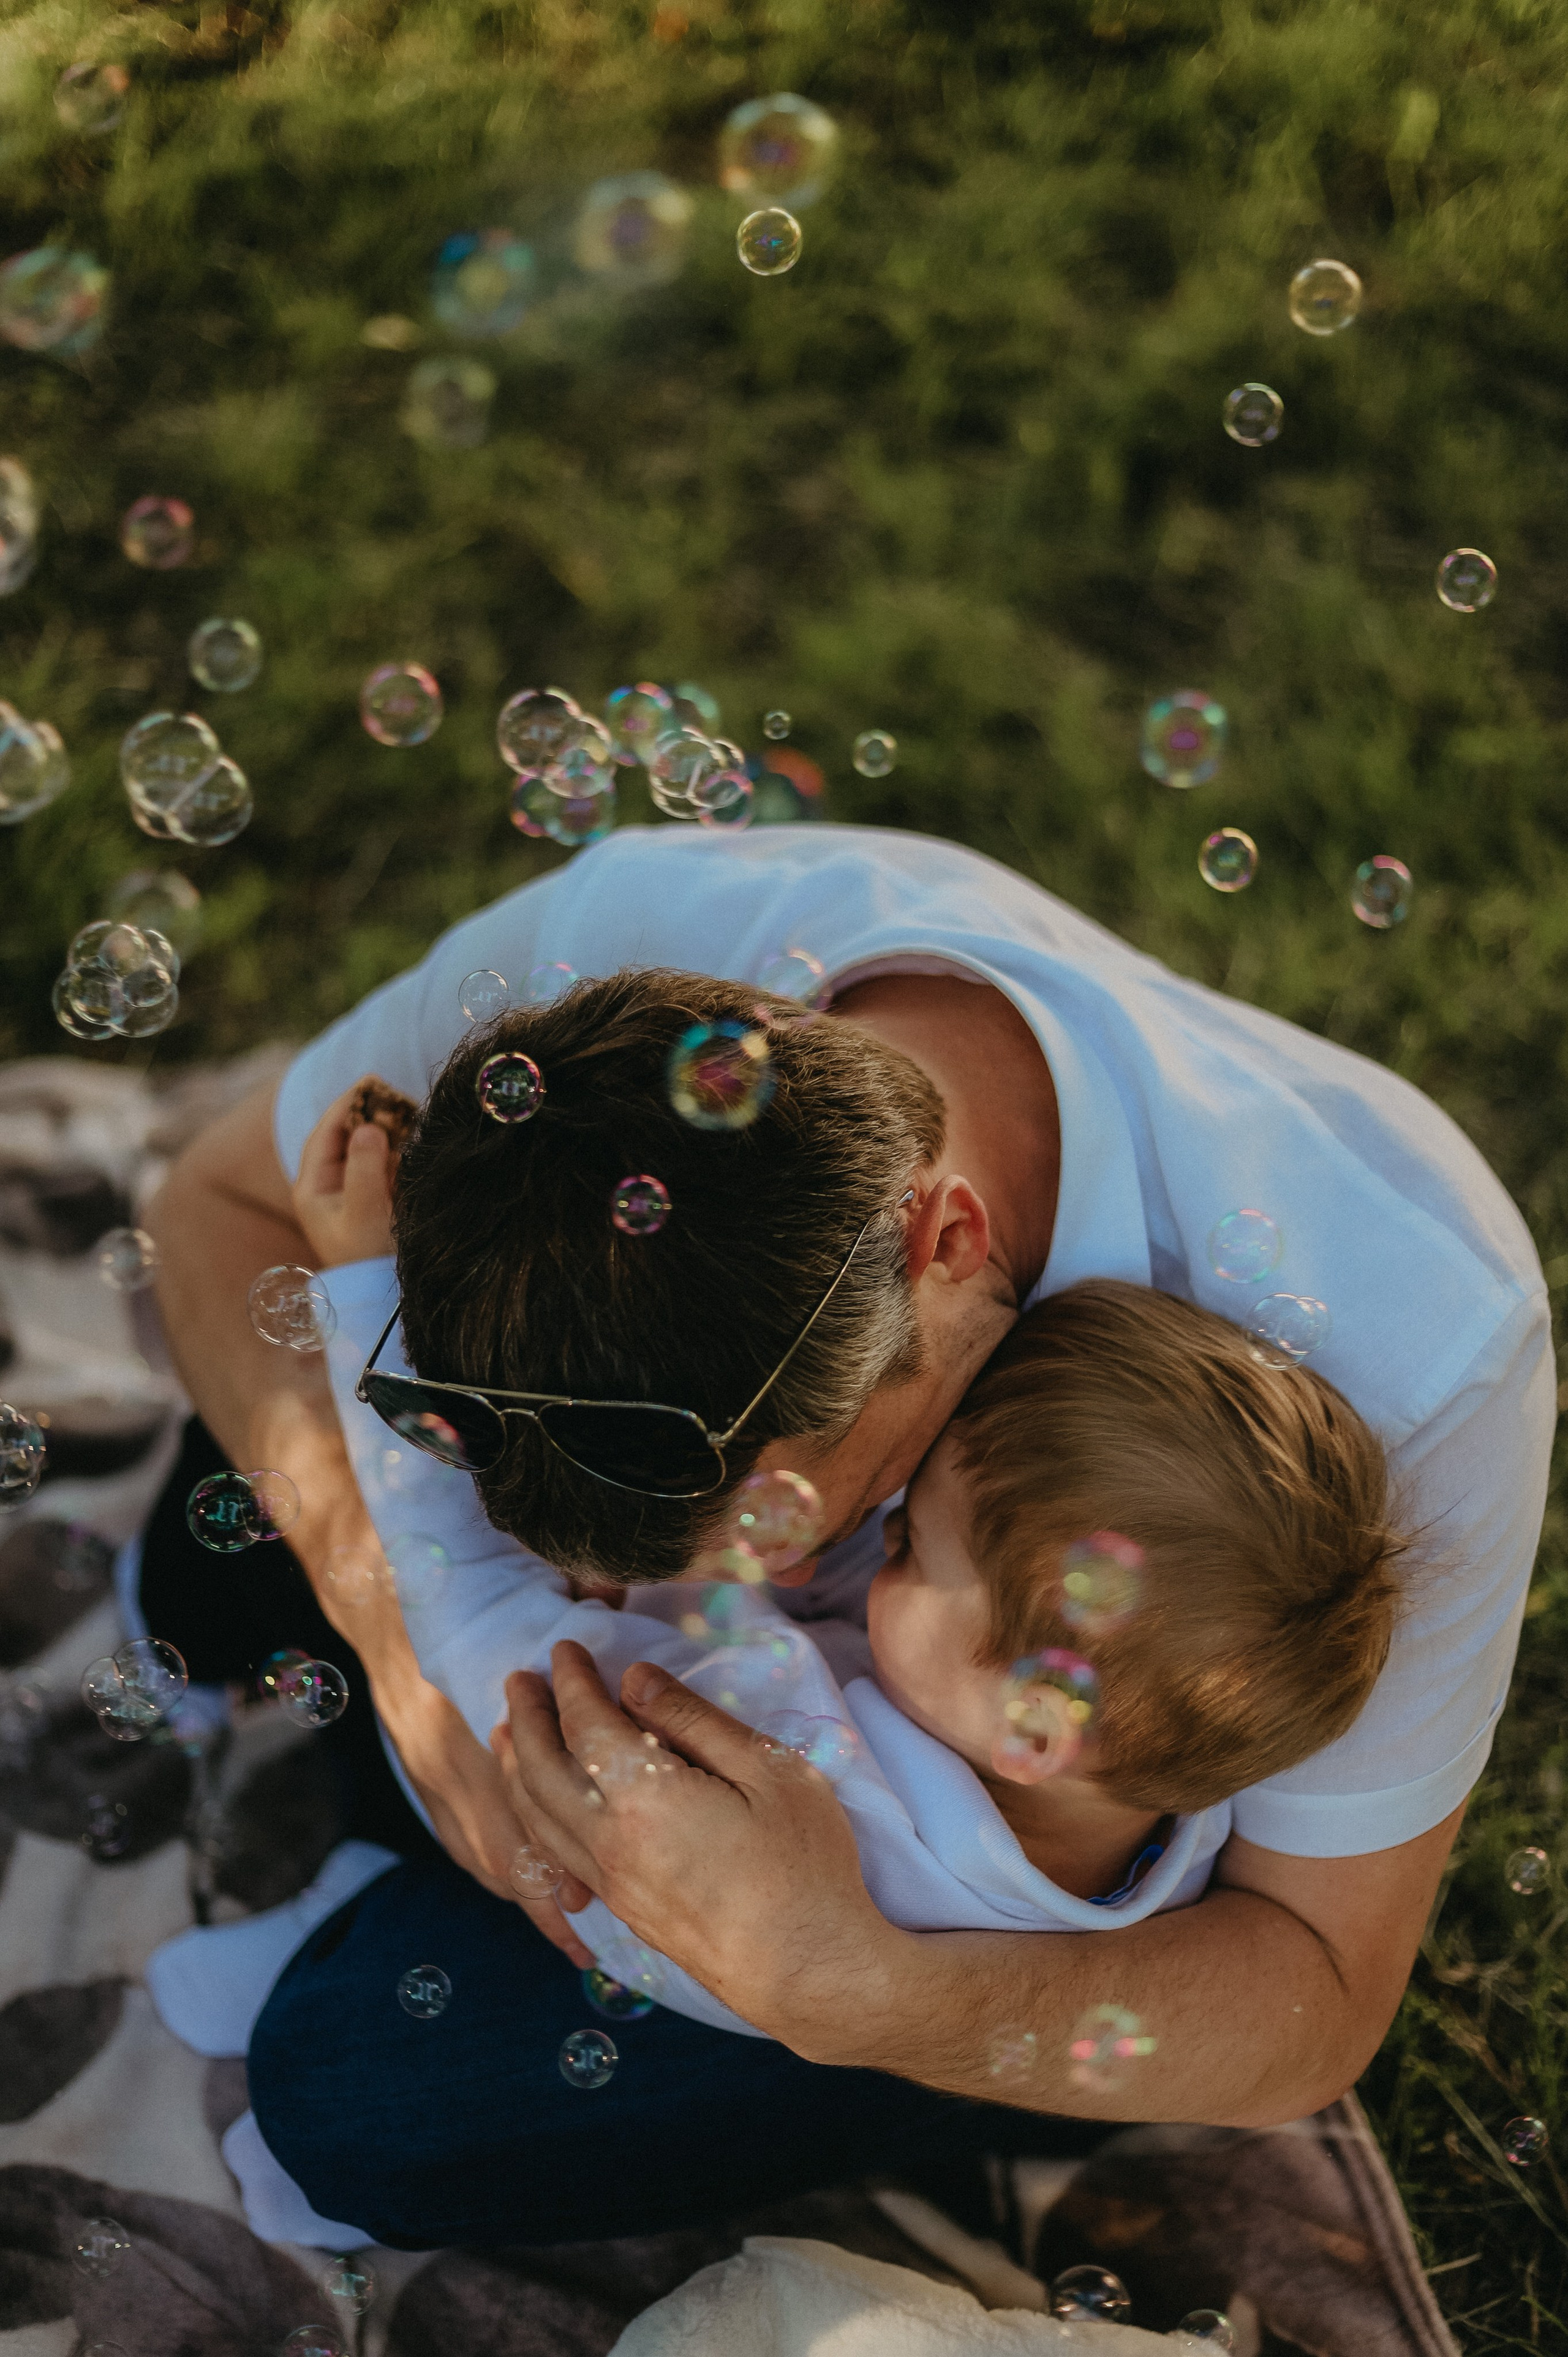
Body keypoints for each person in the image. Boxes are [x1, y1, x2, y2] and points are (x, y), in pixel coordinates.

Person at [141, 822, 1554, 2244]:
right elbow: (215, 1200)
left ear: (942, 1247)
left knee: (361, 2088)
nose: (615, 1586)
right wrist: (388, 1633)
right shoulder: (645, 951)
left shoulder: (1418, 1349)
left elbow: (1309, 1990)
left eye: (752, 1525)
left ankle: (402, 1871)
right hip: (726, 1765)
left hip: (894, 1942)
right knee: (200, 1573)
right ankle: (404, 1824)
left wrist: (856, 1991)